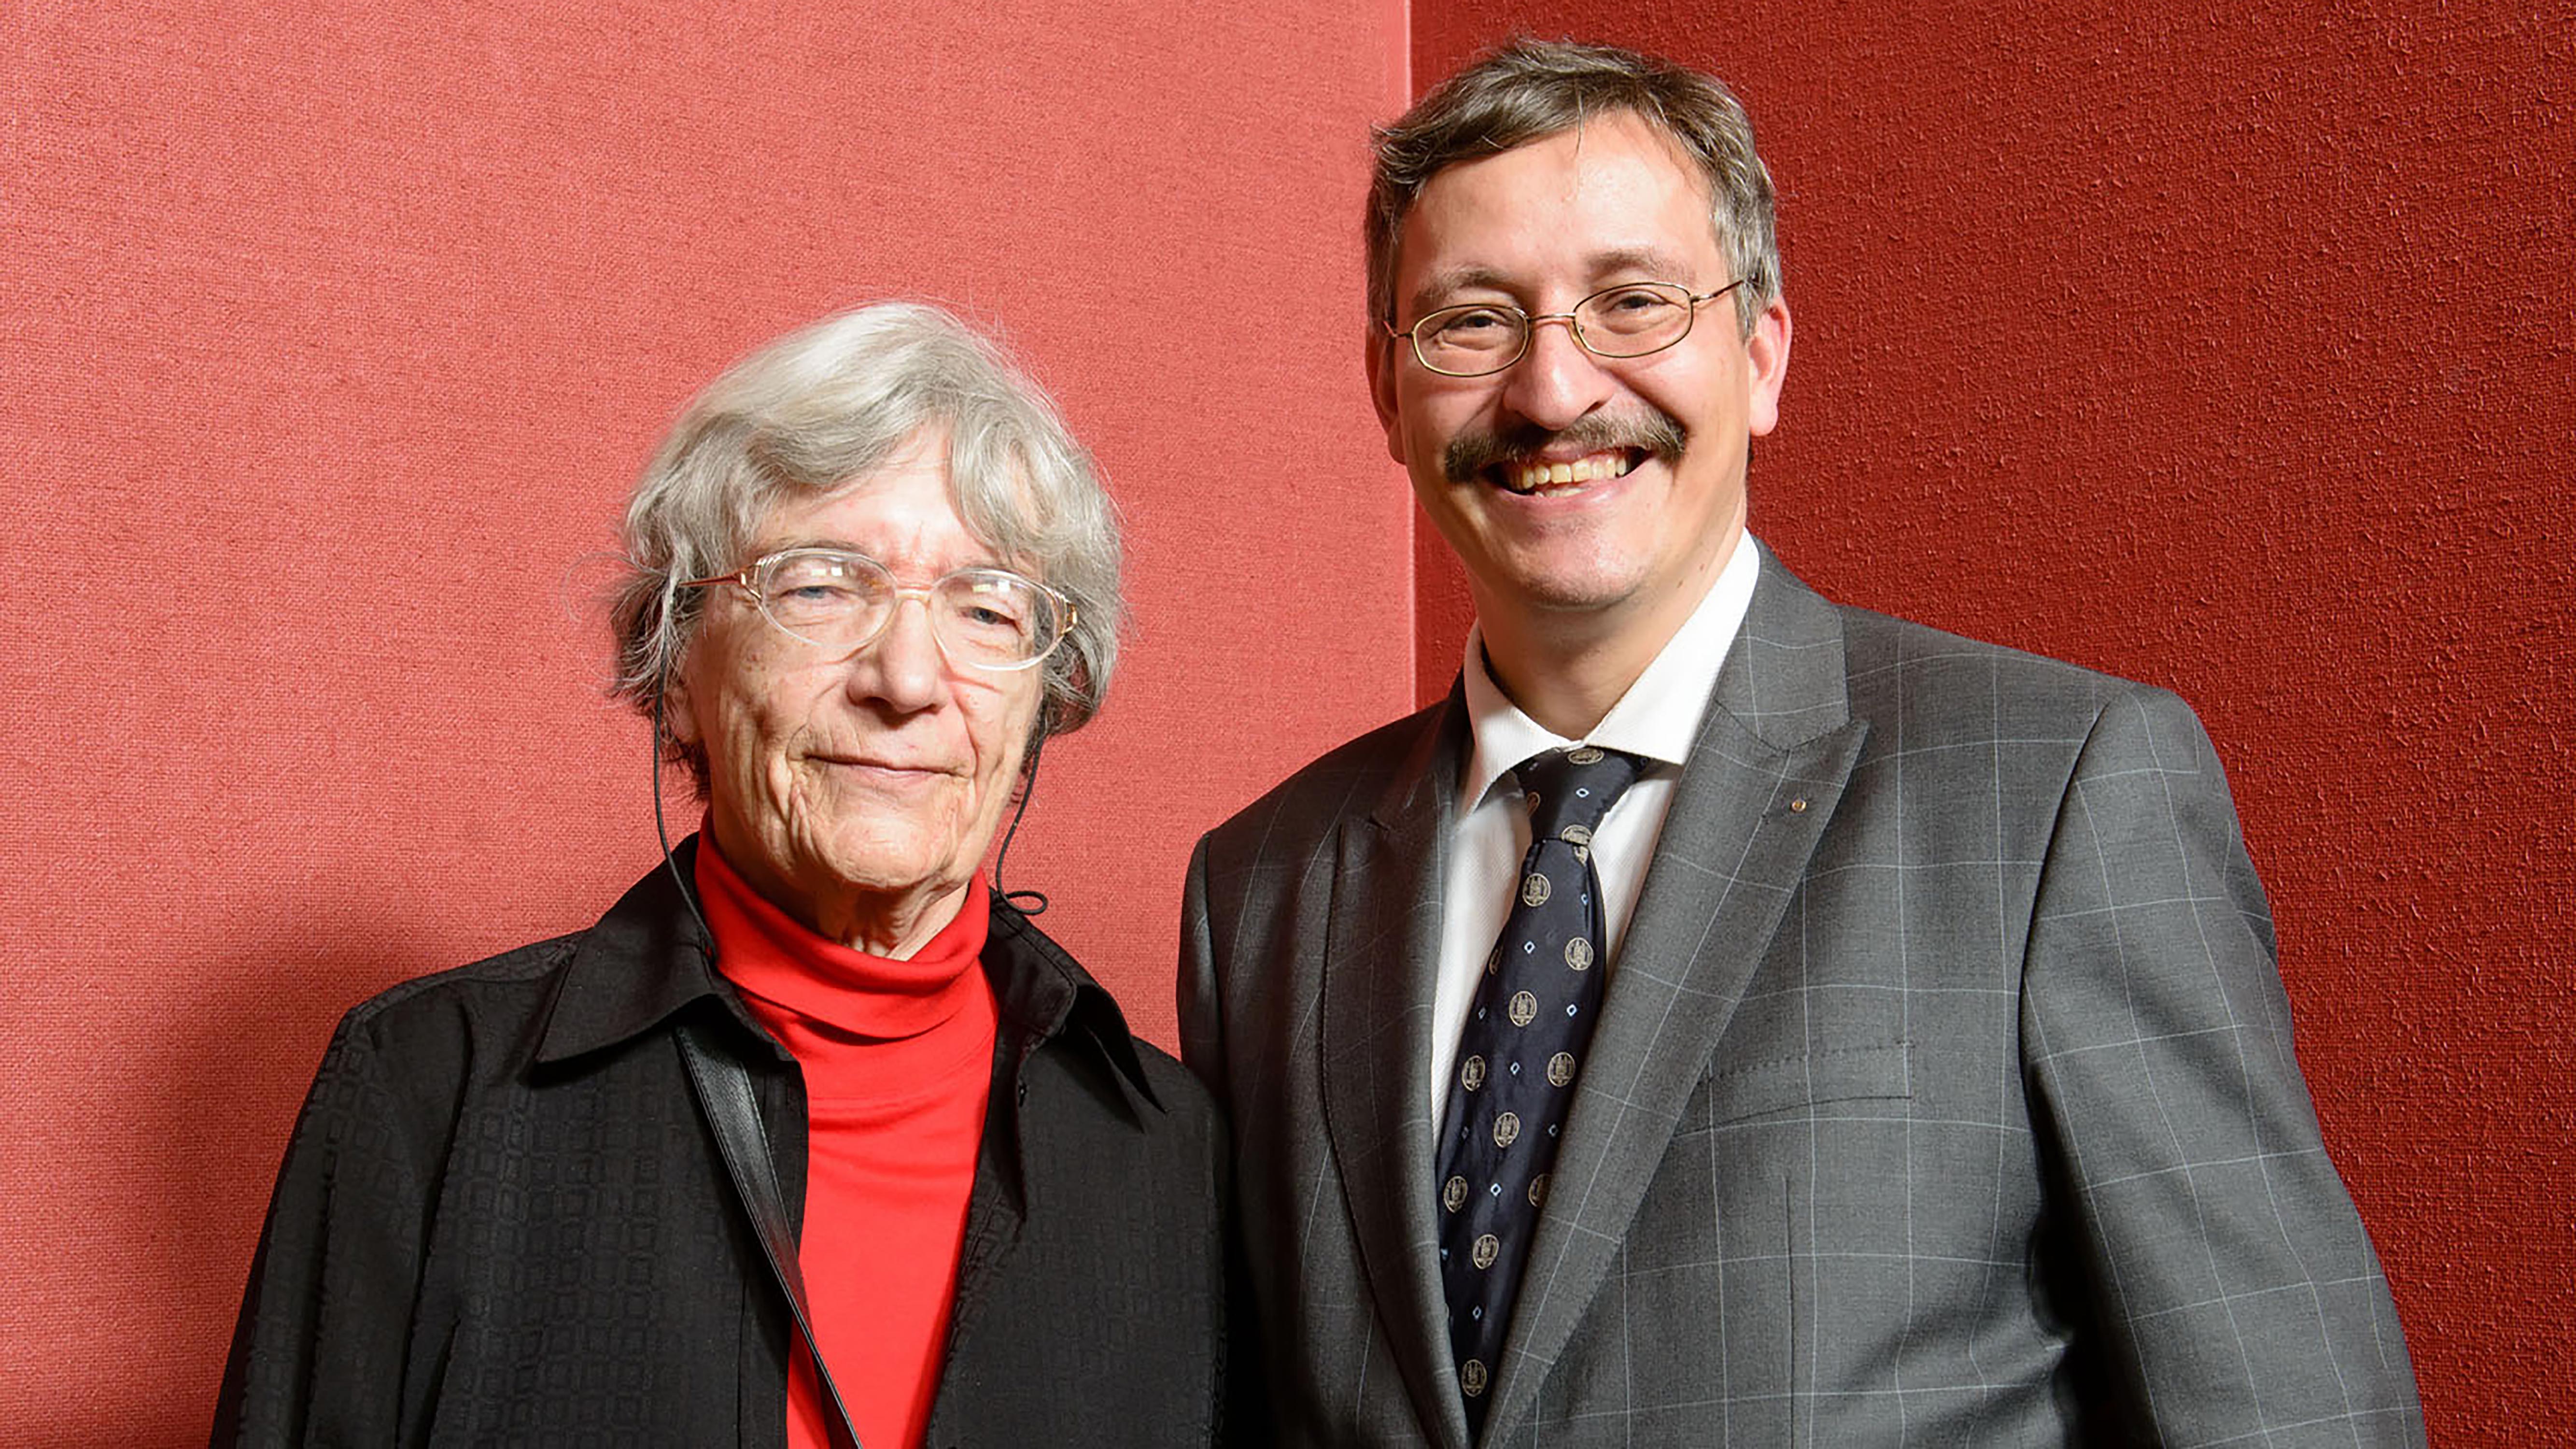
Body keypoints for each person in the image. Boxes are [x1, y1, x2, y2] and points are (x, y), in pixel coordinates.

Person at [1181, 38, 2424, 1448]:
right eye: (1471, 323)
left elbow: (2293, 1414)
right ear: (1385, 392)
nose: (1551, 392)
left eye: (1634, 303)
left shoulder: (2055, 795)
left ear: (1762, 356)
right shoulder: (1264, 889)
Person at [216, 302, 1233, 1448]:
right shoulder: (429, 1095)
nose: (905, 678)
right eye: (819, 586)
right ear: (676, 661)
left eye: (986, 607)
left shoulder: (1173, 1153)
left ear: (1044, 704)